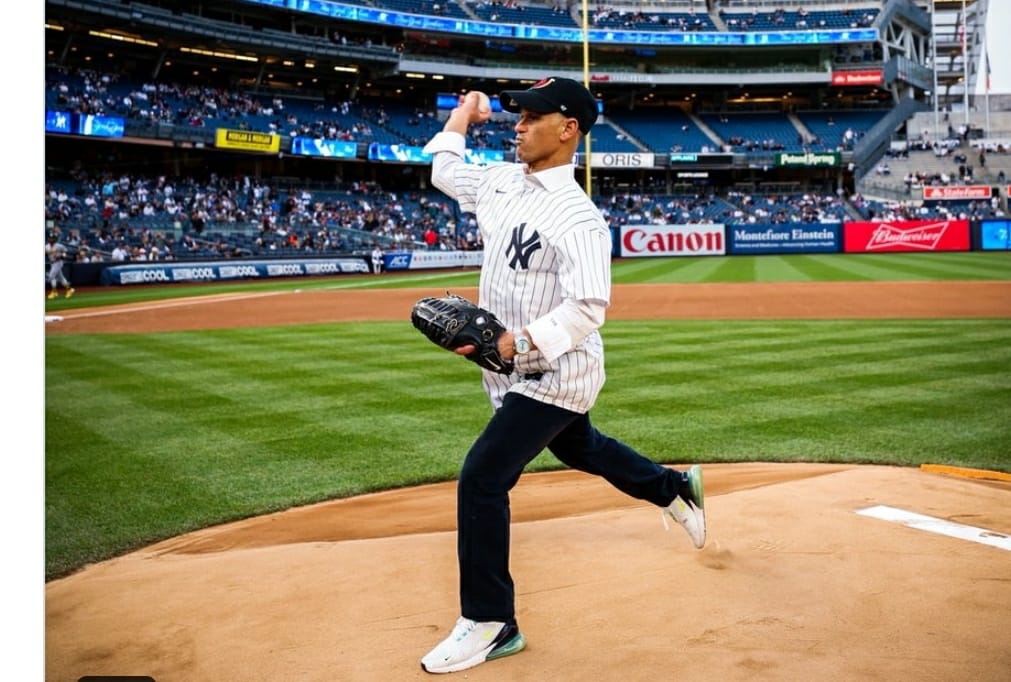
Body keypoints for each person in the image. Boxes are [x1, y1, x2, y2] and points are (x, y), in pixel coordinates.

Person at [417, 77, 706, 675]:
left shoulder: (578, 217)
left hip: (558, 371)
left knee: (482, 478)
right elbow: (444, 167)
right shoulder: (498, 181)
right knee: (582, 448)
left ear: (568, 128)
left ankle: (492, 623)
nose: (518, 124)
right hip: (507, 373)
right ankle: (673, 488)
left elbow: (585, 309)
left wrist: (511, 342)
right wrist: (465, 116)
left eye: (532, 115)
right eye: (517, 114)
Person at [45, 234, 74, 299]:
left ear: (55, 239)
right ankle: (69, 290)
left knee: (51, 276)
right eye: (50, 238)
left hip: (58, 262)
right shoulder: (46, 247)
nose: (51, 239)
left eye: (52, 238)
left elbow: (65, 251)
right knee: (61, 278)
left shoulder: (59, 246)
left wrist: (61, 256)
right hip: (52, 263)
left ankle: (54, 292)